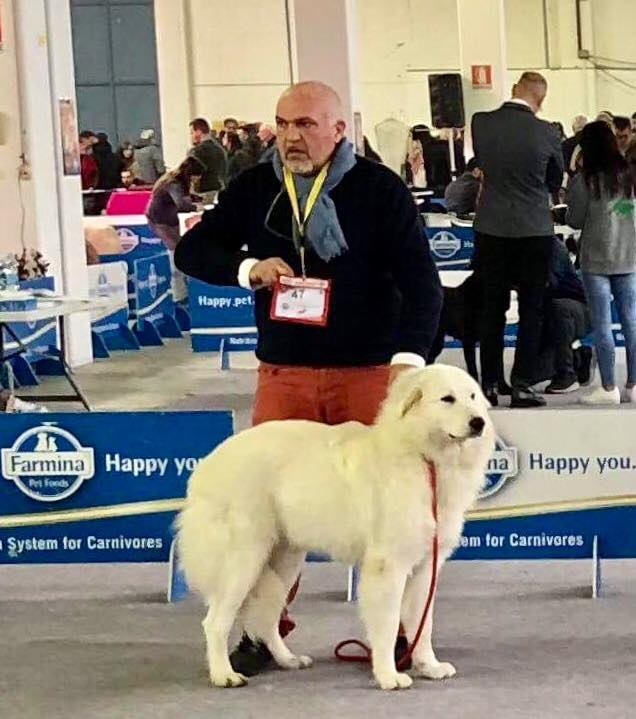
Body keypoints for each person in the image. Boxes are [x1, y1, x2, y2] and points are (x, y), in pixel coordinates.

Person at [175, 80, 443, 677]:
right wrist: (246, 267)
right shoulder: (255, 187)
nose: (290, 137)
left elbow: (423, 283)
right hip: (286, 375)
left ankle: (404, 639)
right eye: (282, 124)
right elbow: (192, 252)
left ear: (339, 129)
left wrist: (410, 362)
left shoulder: (380, 190)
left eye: (305, 124)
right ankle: (260, 633)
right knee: (269, 519)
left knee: (396, 521)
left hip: (370, 375)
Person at [471, 71, 564, 408]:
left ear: (514, 89)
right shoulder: (547, 131)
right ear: (541, 99)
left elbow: (482, 164)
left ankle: (490, 383)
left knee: (491, 308)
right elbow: (555, 179)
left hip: (491, 227)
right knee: (531, 309)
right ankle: (523, 384)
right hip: (534, 229)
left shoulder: (481, 122)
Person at [566, 123, 636, 405]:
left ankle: (608, 388)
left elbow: (574, 220)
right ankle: (634, 385)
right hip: (629, 256)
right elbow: (628, 210)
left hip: (595, 260)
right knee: (632, 322)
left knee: (603, 324)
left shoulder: (584, 180)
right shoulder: (630, 176)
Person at [535, 237, 592, 394]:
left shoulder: (553, 247)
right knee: (532, 374)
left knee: (559, 307)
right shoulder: (517, 245)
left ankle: (567, 373)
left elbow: (549, 284)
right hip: (548, 313)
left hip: (578, 310)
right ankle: (579, 356)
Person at [146, 156, 204, 251]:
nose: (197, 180)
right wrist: (198, 208)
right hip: (160, 220)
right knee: (176, 249)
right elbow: (181, 204)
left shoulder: (172, 179)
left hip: (166, 218)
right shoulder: (173, 184)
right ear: (191, 174)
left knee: (180, 247)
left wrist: (195, 199)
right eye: (197, 177)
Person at [189, 117, 228, 201]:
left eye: (192, 132)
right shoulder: (220, 149)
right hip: (220, 190)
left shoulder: (197, 151)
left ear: (198, 132)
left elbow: (194, 177)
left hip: (204, 194)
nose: (191, 136)